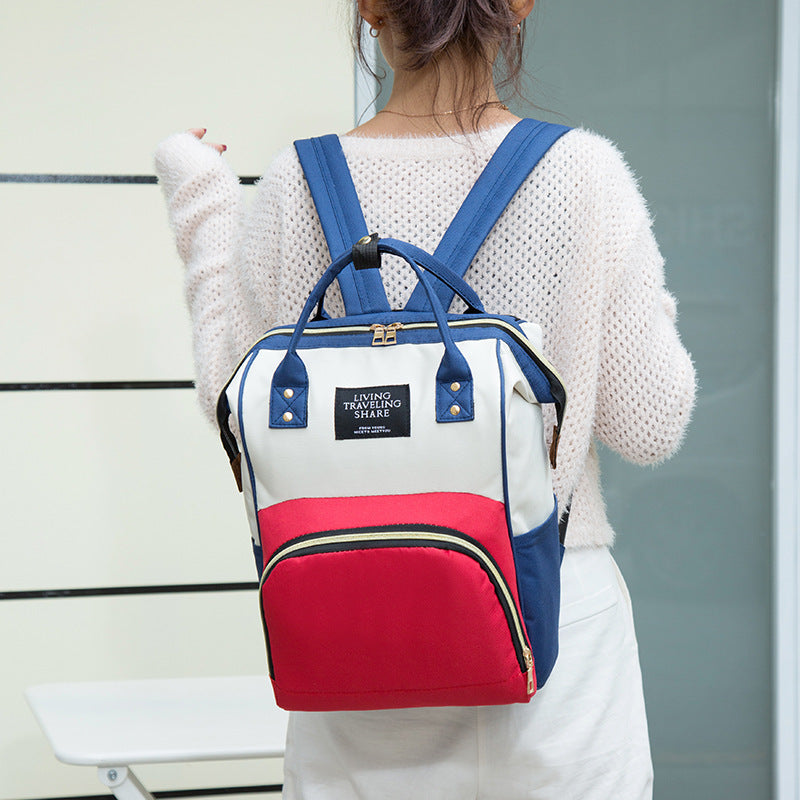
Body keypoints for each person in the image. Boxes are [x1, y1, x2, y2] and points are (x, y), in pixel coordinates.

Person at [154, 1, 696, 797]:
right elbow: (650, 421)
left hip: (353, 631)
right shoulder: (585, 176)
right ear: (518, 4)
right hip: (553, 639)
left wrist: (204, 211)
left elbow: (232, 404)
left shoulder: (292, 185)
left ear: (369, 6)